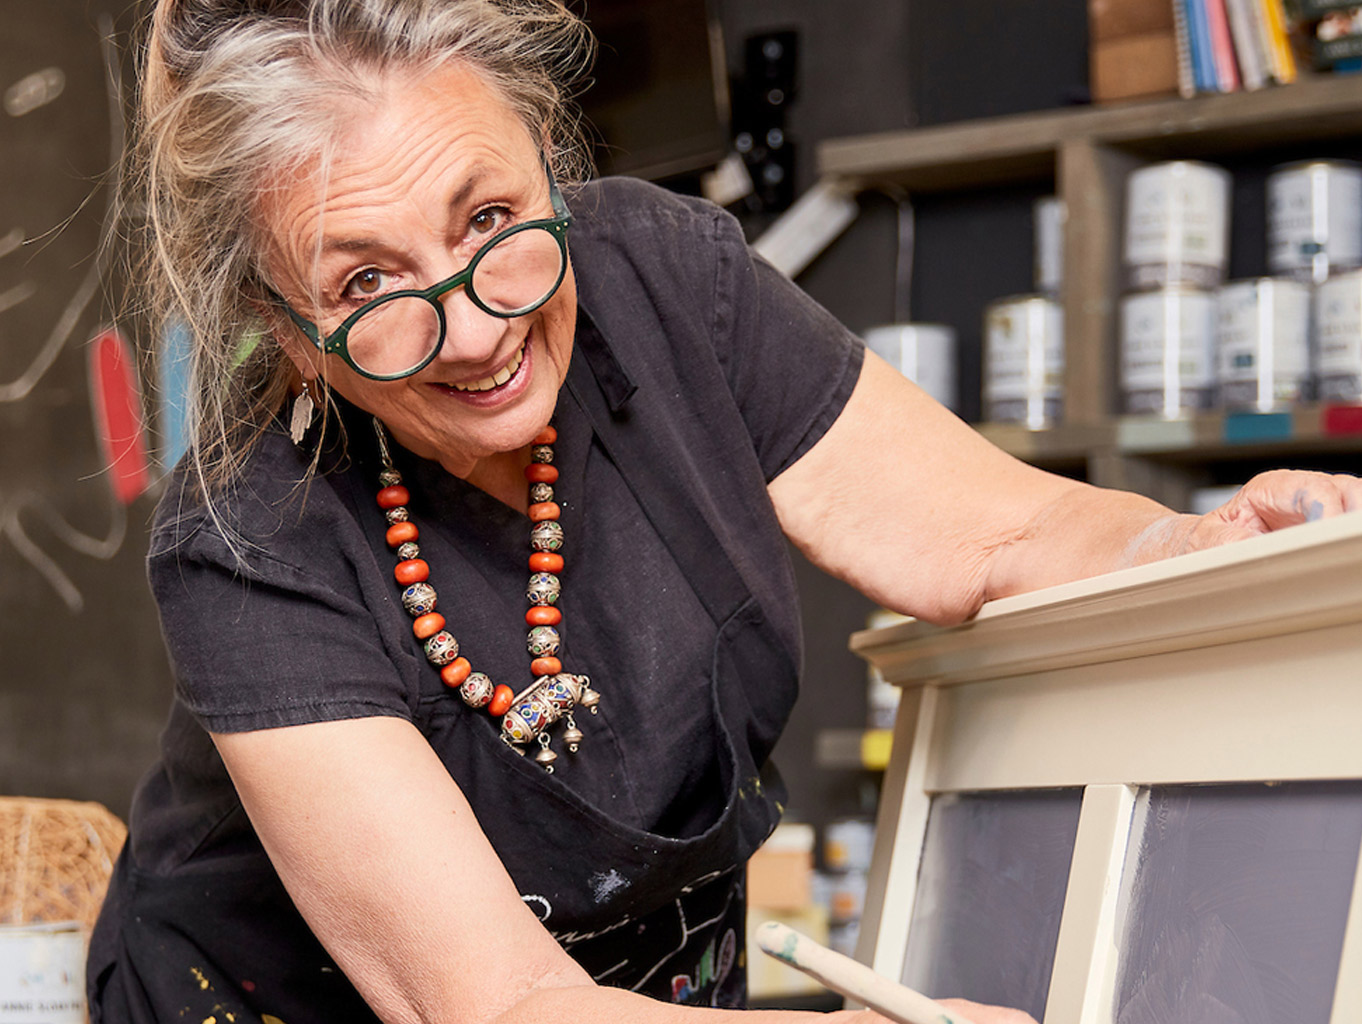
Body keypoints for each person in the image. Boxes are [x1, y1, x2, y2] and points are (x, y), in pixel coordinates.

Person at [89, 2, 1361, 1023]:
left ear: (553, 164)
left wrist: (1197, 546)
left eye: (491, 220)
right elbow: (494, 998)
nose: (477, 329)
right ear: (289, 339)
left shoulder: (665, 283)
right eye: (369, 283)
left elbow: (999, 535)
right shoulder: (245, 533)